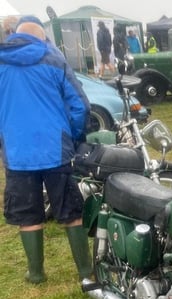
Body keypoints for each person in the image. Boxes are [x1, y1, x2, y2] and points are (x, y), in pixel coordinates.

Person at [0, 18, 93, 284]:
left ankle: (37, 273)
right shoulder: (54, 59)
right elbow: (80, 106)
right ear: (42, 38)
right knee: (70, 212)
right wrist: (73, 136)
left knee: (27, 214)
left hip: (18, 154)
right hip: (56, 150)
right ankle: (85, 271)